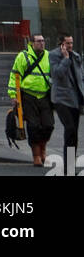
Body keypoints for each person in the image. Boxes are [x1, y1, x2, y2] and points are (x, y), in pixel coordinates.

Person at [7, 33, 54, 166]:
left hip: (44, 96)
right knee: (33, 126)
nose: (42, 43)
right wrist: (13, 95)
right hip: (28, 96)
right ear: (32, 43)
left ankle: (43, 147)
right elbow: (14, 76)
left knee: (48, 125)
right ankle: (37, 155)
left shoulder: (48, 56)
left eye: (43, 41)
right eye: (39, 41)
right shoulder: (23, 56)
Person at [49, 33, 84, 168]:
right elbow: (57, 74)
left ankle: (69, 167)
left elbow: (80, 77)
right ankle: (67, 167)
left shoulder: (76, 56)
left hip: (75, 99)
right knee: (69, 129)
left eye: (71, 43)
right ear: (61, 44)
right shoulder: (53, 55)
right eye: (68, 43)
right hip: (61, 99)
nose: (70, 46)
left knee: (73, 134)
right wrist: (65, 59)